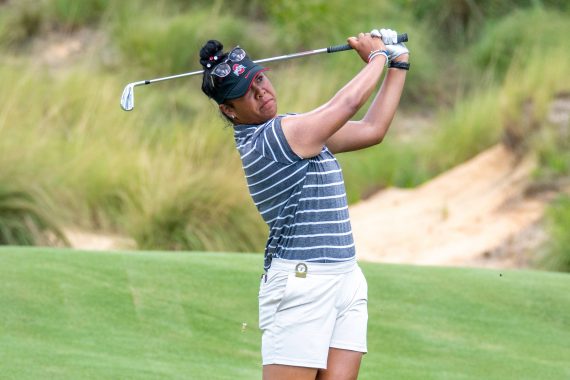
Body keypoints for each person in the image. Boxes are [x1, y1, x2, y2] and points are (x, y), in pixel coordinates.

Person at [199, 29, 409, 380]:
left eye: (260, 79)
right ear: (229, 110)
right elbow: (344, 106)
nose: (260, 91)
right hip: (301, 283)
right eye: (244, 93)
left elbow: (373, 129)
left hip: (345, 276)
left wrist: (397, 63)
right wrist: (378, 57)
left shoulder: (293, 128)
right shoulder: (269, 141)